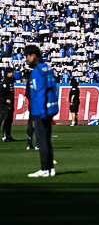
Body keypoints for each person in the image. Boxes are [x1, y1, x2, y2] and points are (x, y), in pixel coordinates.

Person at [25, 44, 58, 177]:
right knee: (47, 139)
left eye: (27, 56)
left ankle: (45, 169)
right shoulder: (47, 67)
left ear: (33, 56)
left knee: (42, 139)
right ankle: (50, 168)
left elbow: (39, 92)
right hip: (51, 108)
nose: (26, 59)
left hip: (40, 110)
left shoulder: (37, 71)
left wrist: (41, 112)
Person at [1, 67, 14, 141]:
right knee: (6, 118)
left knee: (10, 119)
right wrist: (6, 100)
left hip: (11, 103)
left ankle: (8, 135)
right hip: (6, 104)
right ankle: (5, 135)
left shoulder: (11, 81)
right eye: (12, 72)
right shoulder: (5, 82)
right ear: (8, 73)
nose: (13, 74)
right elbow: (2, 93)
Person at [24, 69, 36, 150]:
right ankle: (38, 144)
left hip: (32, 106)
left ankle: (29, 144)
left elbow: (27, 93)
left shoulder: (29, 81)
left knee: (30, 125)